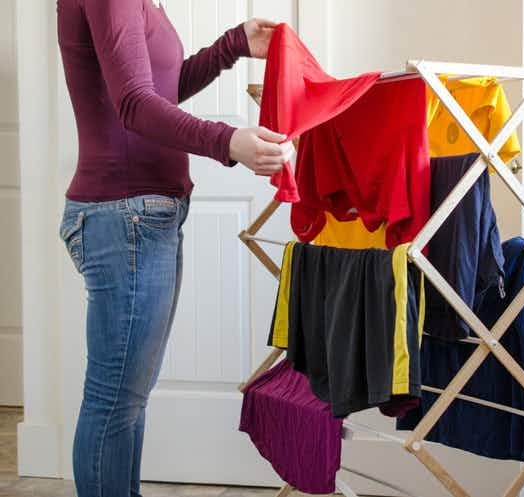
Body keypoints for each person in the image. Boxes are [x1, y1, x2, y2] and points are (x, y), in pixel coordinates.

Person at [56, 1, 286, 496]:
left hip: (144, 214)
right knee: (115, 400)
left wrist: (233, 45)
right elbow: (135, 104)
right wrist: (227, 141)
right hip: (125, 215)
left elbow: (158, 89)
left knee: (127, 398)